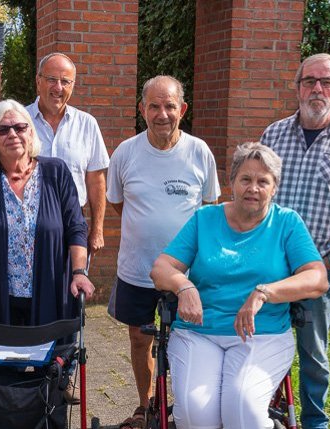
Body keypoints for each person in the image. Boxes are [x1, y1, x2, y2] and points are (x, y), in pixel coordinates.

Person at [151, 142, 328, 429]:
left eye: (263, 181)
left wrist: (264, 292)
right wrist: (184, 286)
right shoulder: (204, 219)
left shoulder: (286, 223)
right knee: (196, 417)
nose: (253, 188)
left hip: (263, 334)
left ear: (274, 188)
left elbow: (317, 278)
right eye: (245, 179)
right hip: (200, 332)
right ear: (231, 182)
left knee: (243, 413)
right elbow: (161, 268)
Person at [260, 53, 330, 429]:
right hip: (271, 265)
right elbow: (257, 195)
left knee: (314, 354)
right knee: (261, 344)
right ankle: (260, 411)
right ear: (297, 87)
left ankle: (314, 421)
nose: (318, 88)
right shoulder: (273, 135)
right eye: (310, 81)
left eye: (327, 82)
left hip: (318, 267)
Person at [106, 75, 220, 429]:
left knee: (188, 343)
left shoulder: (199, 152)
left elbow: (210, 208)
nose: (162, 113)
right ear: (142, 110)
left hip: (186, 275)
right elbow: (117, 204)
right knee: (140, 340)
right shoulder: (125, 152)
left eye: (169, 105)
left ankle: (185, 411)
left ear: (182, 109)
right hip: (137, 270)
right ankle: (145, 407)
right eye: (153, 106)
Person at [0, 99, 94, 326]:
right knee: (2, 360)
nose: (13, 134)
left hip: (52, 291)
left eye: (20, 127)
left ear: (30, 132)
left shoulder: (56, 172)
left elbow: (75, 226)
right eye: (2, 130)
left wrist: (79, 272)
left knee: (53, 360)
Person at [26, 52, 109, 256]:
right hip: (26, 221)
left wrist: (97, 230)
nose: (58, 88)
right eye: (51, 80)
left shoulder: (87, 124)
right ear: (38, 81)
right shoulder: (19, 120)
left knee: (73, 282)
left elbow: (96, 181)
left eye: (65, 81)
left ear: (72, 86)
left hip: (72, 223)